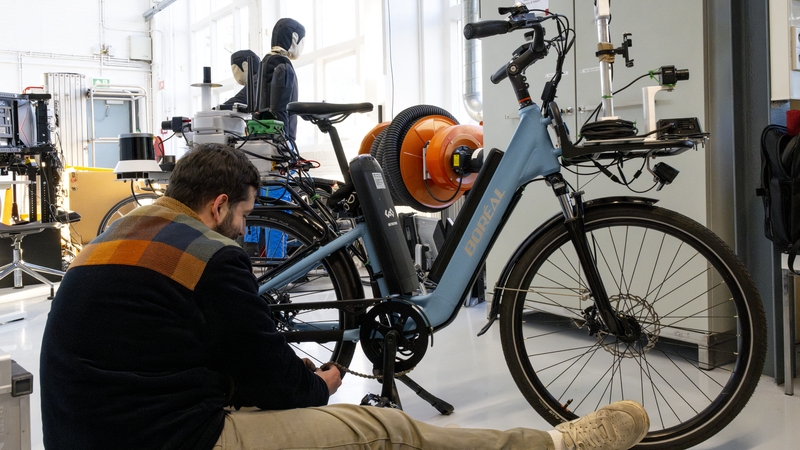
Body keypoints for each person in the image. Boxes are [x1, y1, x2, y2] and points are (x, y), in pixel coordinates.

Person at [39, 143, 650, 450]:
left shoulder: (114, 234)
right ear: (219, 204)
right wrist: (318, 388)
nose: (245, 232)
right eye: (245, 216)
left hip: (83, 435)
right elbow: (272, 384)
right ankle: (554, 445)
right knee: (382, 428)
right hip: (172, 443)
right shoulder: (211, 254)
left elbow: (171, 347)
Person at [255, 18, 306, 141]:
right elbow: (280, 108)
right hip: (280, 137)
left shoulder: (266, 61)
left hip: (264, 133)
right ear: (294, 39)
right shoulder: (283, 65)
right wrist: (286, 140)